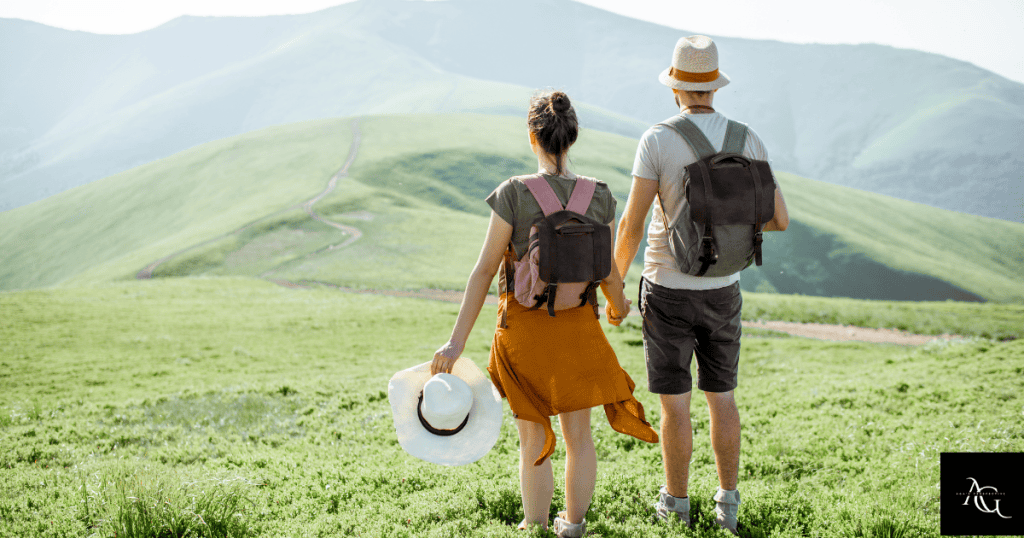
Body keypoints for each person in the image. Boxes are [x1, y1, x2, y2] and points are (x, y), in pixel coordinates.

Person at [431, 90, 658, 537]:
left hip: (524, 334)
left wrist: (455, 343)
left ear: (532, 136)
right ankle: (572, 525)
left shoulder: (514, 193)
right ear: (572, 137)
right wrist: (617, 308)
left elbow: (483, 272)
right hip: (578, 330)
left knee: (533, 440)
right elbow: (608, 271)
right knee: (580, 438)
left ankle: (532, 525)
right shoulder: (600, 197)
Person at [614, 36, 790, 535]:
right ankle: (728, 503)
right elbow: (778, 220)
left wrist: (616, 288)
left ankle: (676, 504)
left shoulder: (658, 139)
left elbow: (631, 225)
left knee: (675, 405)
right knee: (723, 398)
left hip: (667, 288)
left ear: (675, 86)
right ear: (714, 87)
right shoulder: (747, 138)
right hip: (724, 290)